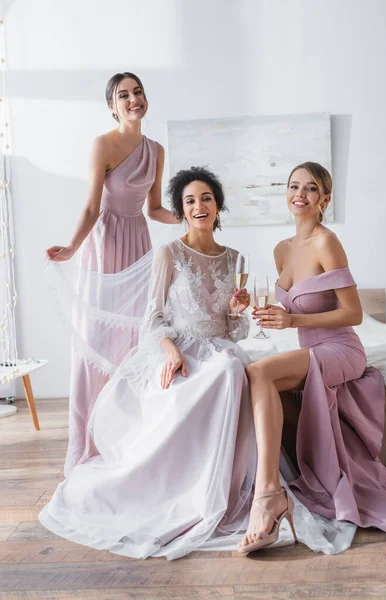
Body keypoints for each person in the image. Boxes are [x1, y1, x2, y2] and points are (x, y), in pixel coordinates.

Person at [39, 167, 257, 559]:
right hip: (180, 348)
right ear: (181, 211)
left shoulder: (236, 258)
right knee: (226, 371)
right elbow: (153, 318)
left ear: (218, 205)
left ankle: (220, 488)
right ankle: (181, 491)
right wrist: (171, 351)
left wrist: (239, 312)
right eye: (189, 201)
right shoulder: (168, 253)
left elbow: (235, 331)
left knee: (232, 368)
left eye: (206, 198)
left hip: (220, 350)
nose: (198, 206)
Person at [238, 161, 386, 554]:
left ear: (324, 199)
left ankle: (269, 494)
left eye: (311, 189)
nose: (300, 194)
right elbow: (283, 311)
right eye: (294, 186)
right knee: (254, 375)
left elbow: (354, 313)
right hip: (309, 348)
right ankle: (269, 484)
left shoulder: (327, 242)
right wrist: (250, 308)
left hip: (341, 348)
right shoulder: (281, 250)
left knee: (259, 371)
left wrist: (292, 317)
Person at [46, 72, 179, 475]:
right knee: (97, 342)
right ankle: (88, 443)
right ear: (112, 106)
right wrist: (70, 247)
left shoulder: (155, 150)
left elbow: (154, 209)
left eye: (138, 92)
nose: (134, 99)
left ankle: (130, 439)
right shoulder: (102, 145)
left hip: (138, 246)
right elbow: (91, 206)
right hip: (103, 247)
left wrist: (190, 219)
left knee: (135, 342)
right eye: (124, 95)